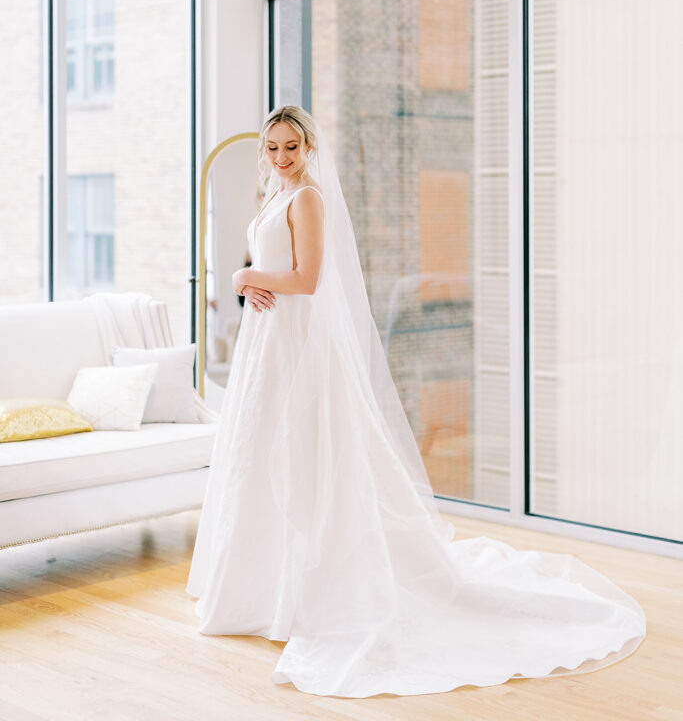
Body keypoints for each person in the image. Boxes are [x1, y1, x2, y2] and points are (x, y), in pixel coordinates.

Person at [186, 104, 646, 698]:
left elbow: (307, 279)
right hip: (267, 342)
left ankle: (308, 588)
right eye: (272, 148)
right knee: (261, 454)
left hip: (296, 340)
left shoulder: (307, 198)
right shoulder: (273, 195)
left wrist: (246, 281)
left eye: (290, 148)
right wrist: (240, 278)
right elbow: (265, 267)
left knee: (300, 454)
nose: (281, 157)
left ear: (308, 148)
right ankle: (259, 585)